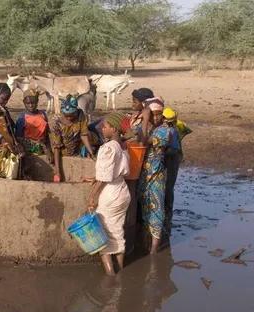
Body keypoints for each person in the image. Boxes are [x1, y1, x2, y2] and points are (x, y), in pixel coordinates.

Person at [87, 112, 131, 275]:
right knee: (117, 232)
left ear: (113, 129)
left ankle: (111, 276)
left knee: (102, 236)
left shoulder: (107, 148)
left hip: (110, 194)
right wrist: (96, 177)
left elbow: (105, 178)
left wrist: (92, 197)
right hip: (122, 191)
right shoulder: (123, 146)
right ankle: (120, 271)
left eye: (105, 126)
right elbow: (119, 171)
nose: (102, 129)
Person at [137, 98, 173, 254]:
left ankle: (153, 251)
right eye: (153, 115)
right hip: (144, 175)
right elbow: (135, 138)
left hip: (156, 175)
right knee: (145, 210)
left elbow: (143, 142)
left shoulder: (165, 131)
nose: (157, 118)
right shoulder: (146, 127)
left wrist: (145, 120)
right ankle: (146, 244)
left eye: (159, 115)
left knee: (156, 211)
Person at [49, 95, 95, 182]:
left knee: (92, 136)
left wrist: (91, 152)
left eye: (72, 115)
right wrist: (58, 171)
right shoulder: (56, 122)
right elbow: (56, 147)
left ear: (76, 111)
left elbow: (83, 135)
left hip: (76, 149)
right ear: (63, 113)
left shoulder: (80, 115)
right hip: (63, 152)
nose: (69, 118)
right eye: (67, 116)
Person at [162, 106, 192, 236]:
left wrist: (162, 150)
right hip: (171, 158)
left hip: (172, 158)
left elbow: (174, 149)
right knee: (167, 186)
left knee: (168, 187)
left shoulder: (173, 129)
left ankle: (168, 215)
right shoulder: (174, 127)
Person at [15, 89, 51, 162]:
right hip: (29, 149)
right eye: (28, 103)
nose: (30, 105)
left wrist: (49, 150)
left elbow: (47, 134)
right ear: (24, 102)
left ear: (37, 102)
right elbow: (18, 137)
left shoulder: (43, 114)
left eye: (33, 103)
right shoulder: (22, 117)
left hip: (43, 147)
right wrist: (34, 142)